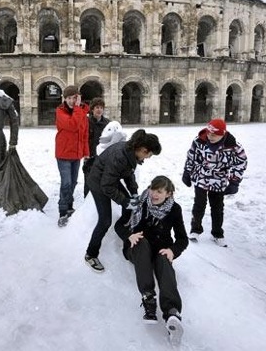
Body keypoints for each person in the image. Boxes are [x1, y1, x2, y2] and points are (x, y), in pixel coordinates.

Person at [114, 175, 187, 346]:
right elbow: (119, 225)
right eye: (153, 189)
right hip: (137, 247)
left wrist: (172, 251)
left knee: (163, 259)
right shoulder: (137, 201)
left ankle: (172, 313)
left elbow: (183, 239)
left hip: (160, 249)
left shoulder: (174, 209)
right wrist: (129, 235)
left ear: (169, 194)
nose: (154, 194)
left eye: (159, 192)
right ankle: (148, 299)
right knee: (142, 242)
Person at [85, 129, 162, 272]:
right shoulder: (119, 156)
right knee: (105, 221)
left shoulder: (131, 152)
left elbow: (128, 173)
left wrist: (133, 193)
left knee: (129, 205)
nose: (147, 158)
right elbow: (106, 186)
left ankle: (125, 231)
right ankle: (91, 254)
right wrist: (125, 201)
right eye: (149, 155)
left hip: (108, 178)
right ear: (144, 150)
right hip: (98, 181)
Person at [181, 118, 248, 247]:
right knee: (199, 204)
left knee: (217, 207)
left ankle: (217, 233)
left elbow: (241, 162)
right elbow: (191, 157)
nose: (210, 136)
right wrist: (187, 172)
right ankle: (195, 229)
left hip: (219, 178)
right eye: (209, 133)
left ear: (222, 134)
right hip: (201, 176)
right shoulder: (199, 141)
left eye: (214, 134)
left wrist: (234, 181)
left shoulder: (233, 146)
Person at [55, 85, 90, 227]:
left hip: (76, 154)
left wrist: (86, 152)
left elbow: (85, 134)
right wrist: (77, 108)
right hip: (63, 154)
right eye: (68, 98)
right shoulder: (60, 112)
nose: (71, 101)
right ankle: (62, 211)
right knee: (66, 183)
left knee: (73, 182)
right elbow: (73, 125)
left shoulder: (81, 112)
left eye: (73, 98)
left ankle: (69, 206)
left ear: (78, 97)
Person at [82, 97, 109, 197]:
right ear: (92, 109)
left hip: (103, 157)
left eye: (101, 107)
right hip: (89, 156)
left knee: (102, 181)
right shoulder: (86, 122)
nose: (99, 110)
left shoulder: (107, 123)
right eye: (97, 107)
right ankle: (87, 203)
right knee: (88, 182)